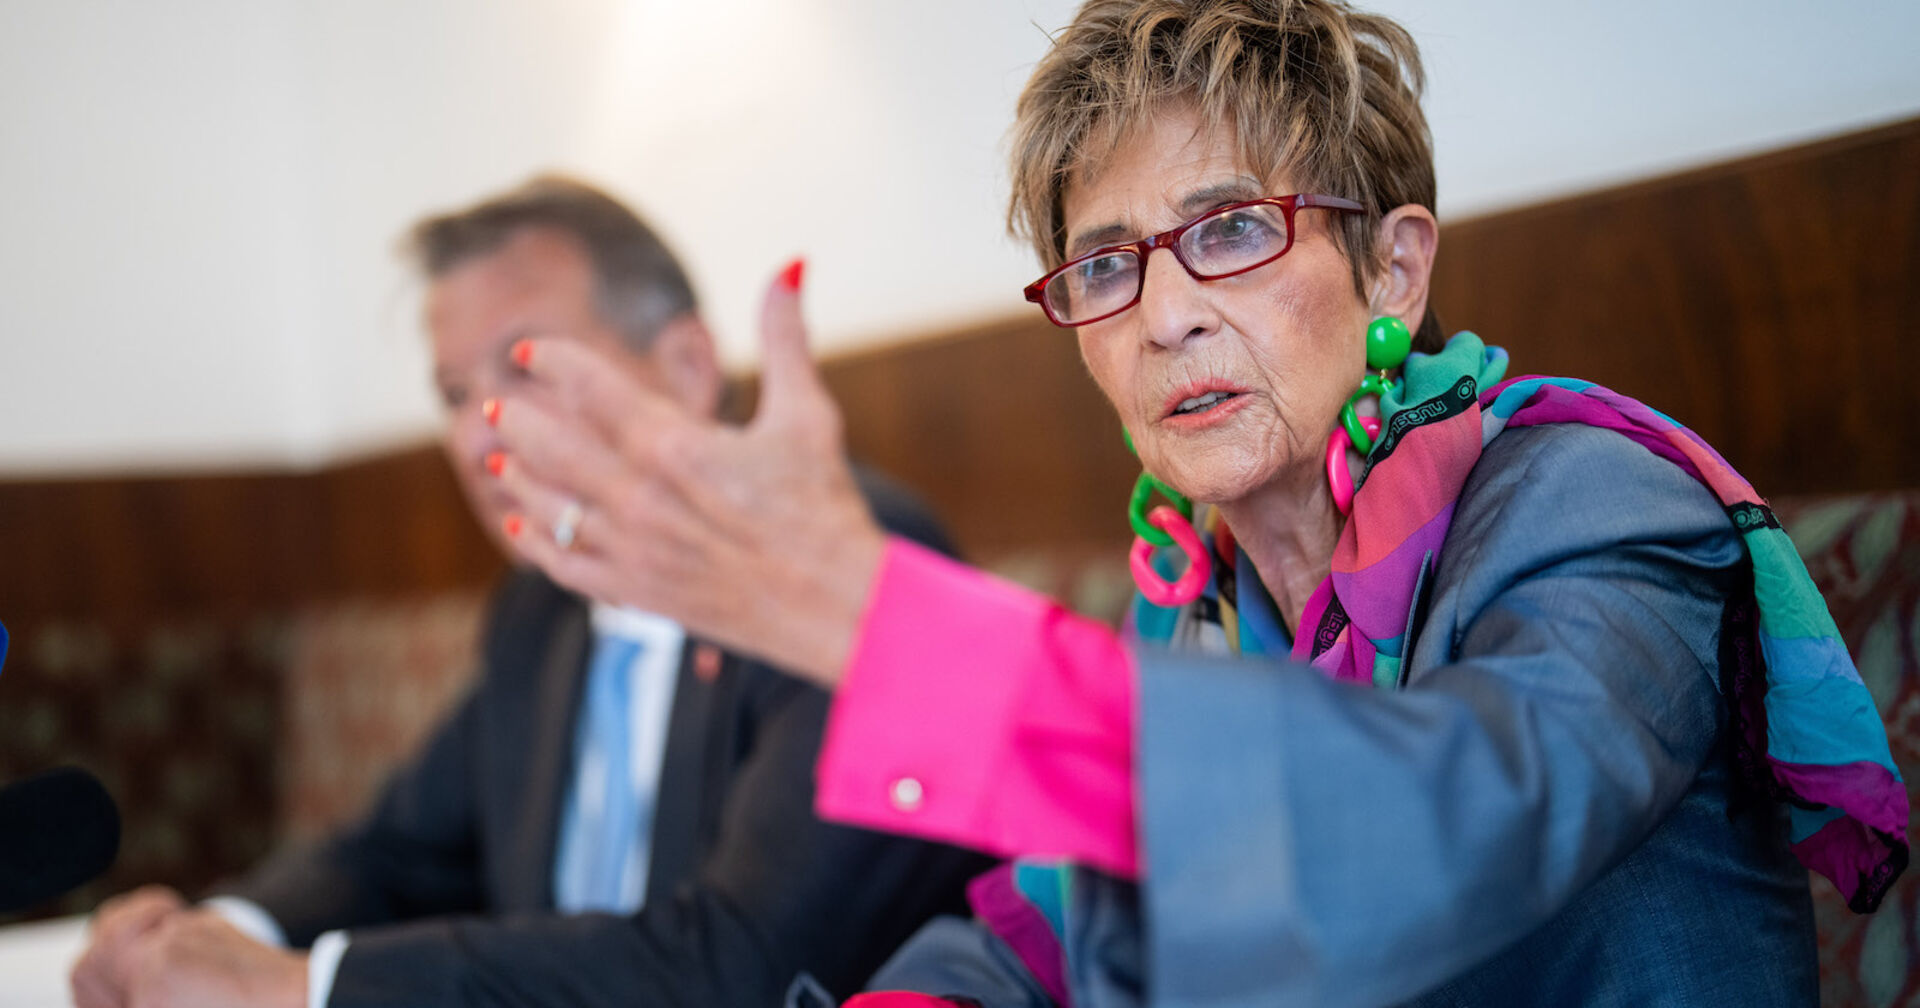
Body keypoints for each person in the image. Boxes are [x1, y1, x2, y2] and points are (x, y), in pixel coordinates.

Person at [480, 2, 1909, 1005]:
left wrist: (900, 630)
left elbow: (1447, 818)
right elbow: (1048, 930)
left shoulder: (1595, 508)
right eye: (1103, 266)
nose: (1163, 314)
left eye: (1229, 230)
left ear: (1393, 271)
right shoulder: (1193, 603)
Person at [68, 176, 989, 1008]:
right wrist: (223, 934)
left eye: (523, 368)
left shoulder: (849, 566)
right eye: (453, 392)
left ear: (687, 367)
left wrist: (303, 987)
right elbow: (395, 850)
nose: (477, 436)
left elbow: (742, 967)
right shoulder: (539, 608)